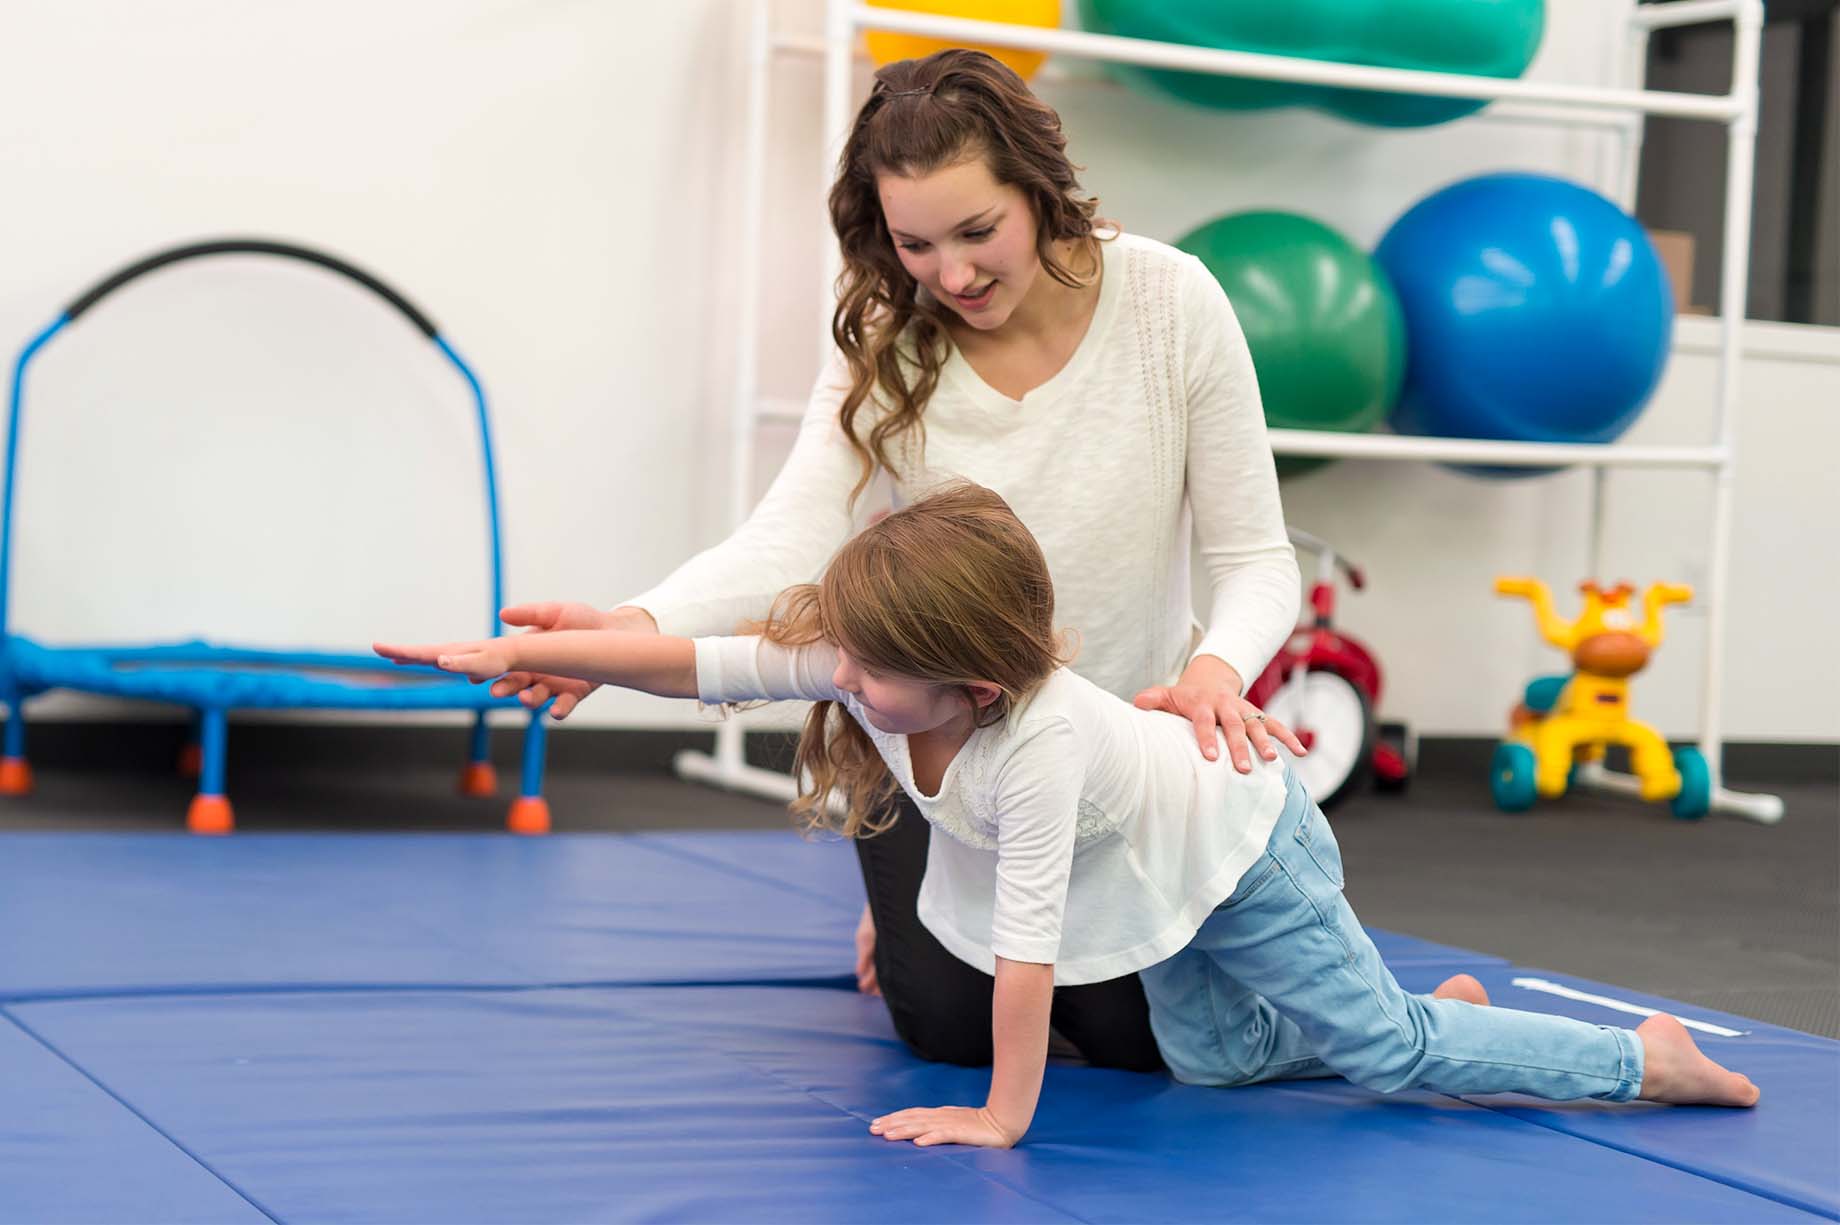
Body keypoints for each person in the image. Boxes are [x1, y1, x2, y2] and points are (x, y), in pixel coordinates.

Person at [376, 483, 1760, 1151]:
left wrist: (1000, 1115)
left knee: (1384, 1054)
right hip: (1157, 859)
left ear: (971, 681)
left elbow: (1024, 957)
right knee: (1217, 1063)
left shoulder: (1028, 749)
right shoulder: (888, 667)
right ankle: (1447, 1006)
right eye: (840, 653)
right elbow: (718, 664)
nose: (836, 678)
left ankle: (1645, 1058)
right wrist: (520, 657)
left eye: (862, 666)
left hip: (1240, 842)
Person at [483, 47, 1308, 1071]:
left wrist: (1214, 671)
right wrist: (630, 627)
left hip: (1112, 764)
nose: (951, 275)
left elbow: (1256, 558)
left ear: (1040, 191)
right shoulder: (888, 328)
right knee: (952, 1035)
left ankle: (968, 918)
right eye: (916, 244)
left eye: (978, 232)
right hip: (946, 760)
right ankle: (919, 897)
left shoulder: (1169, 302)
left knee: (1141, 1043)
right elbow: (790, 536)